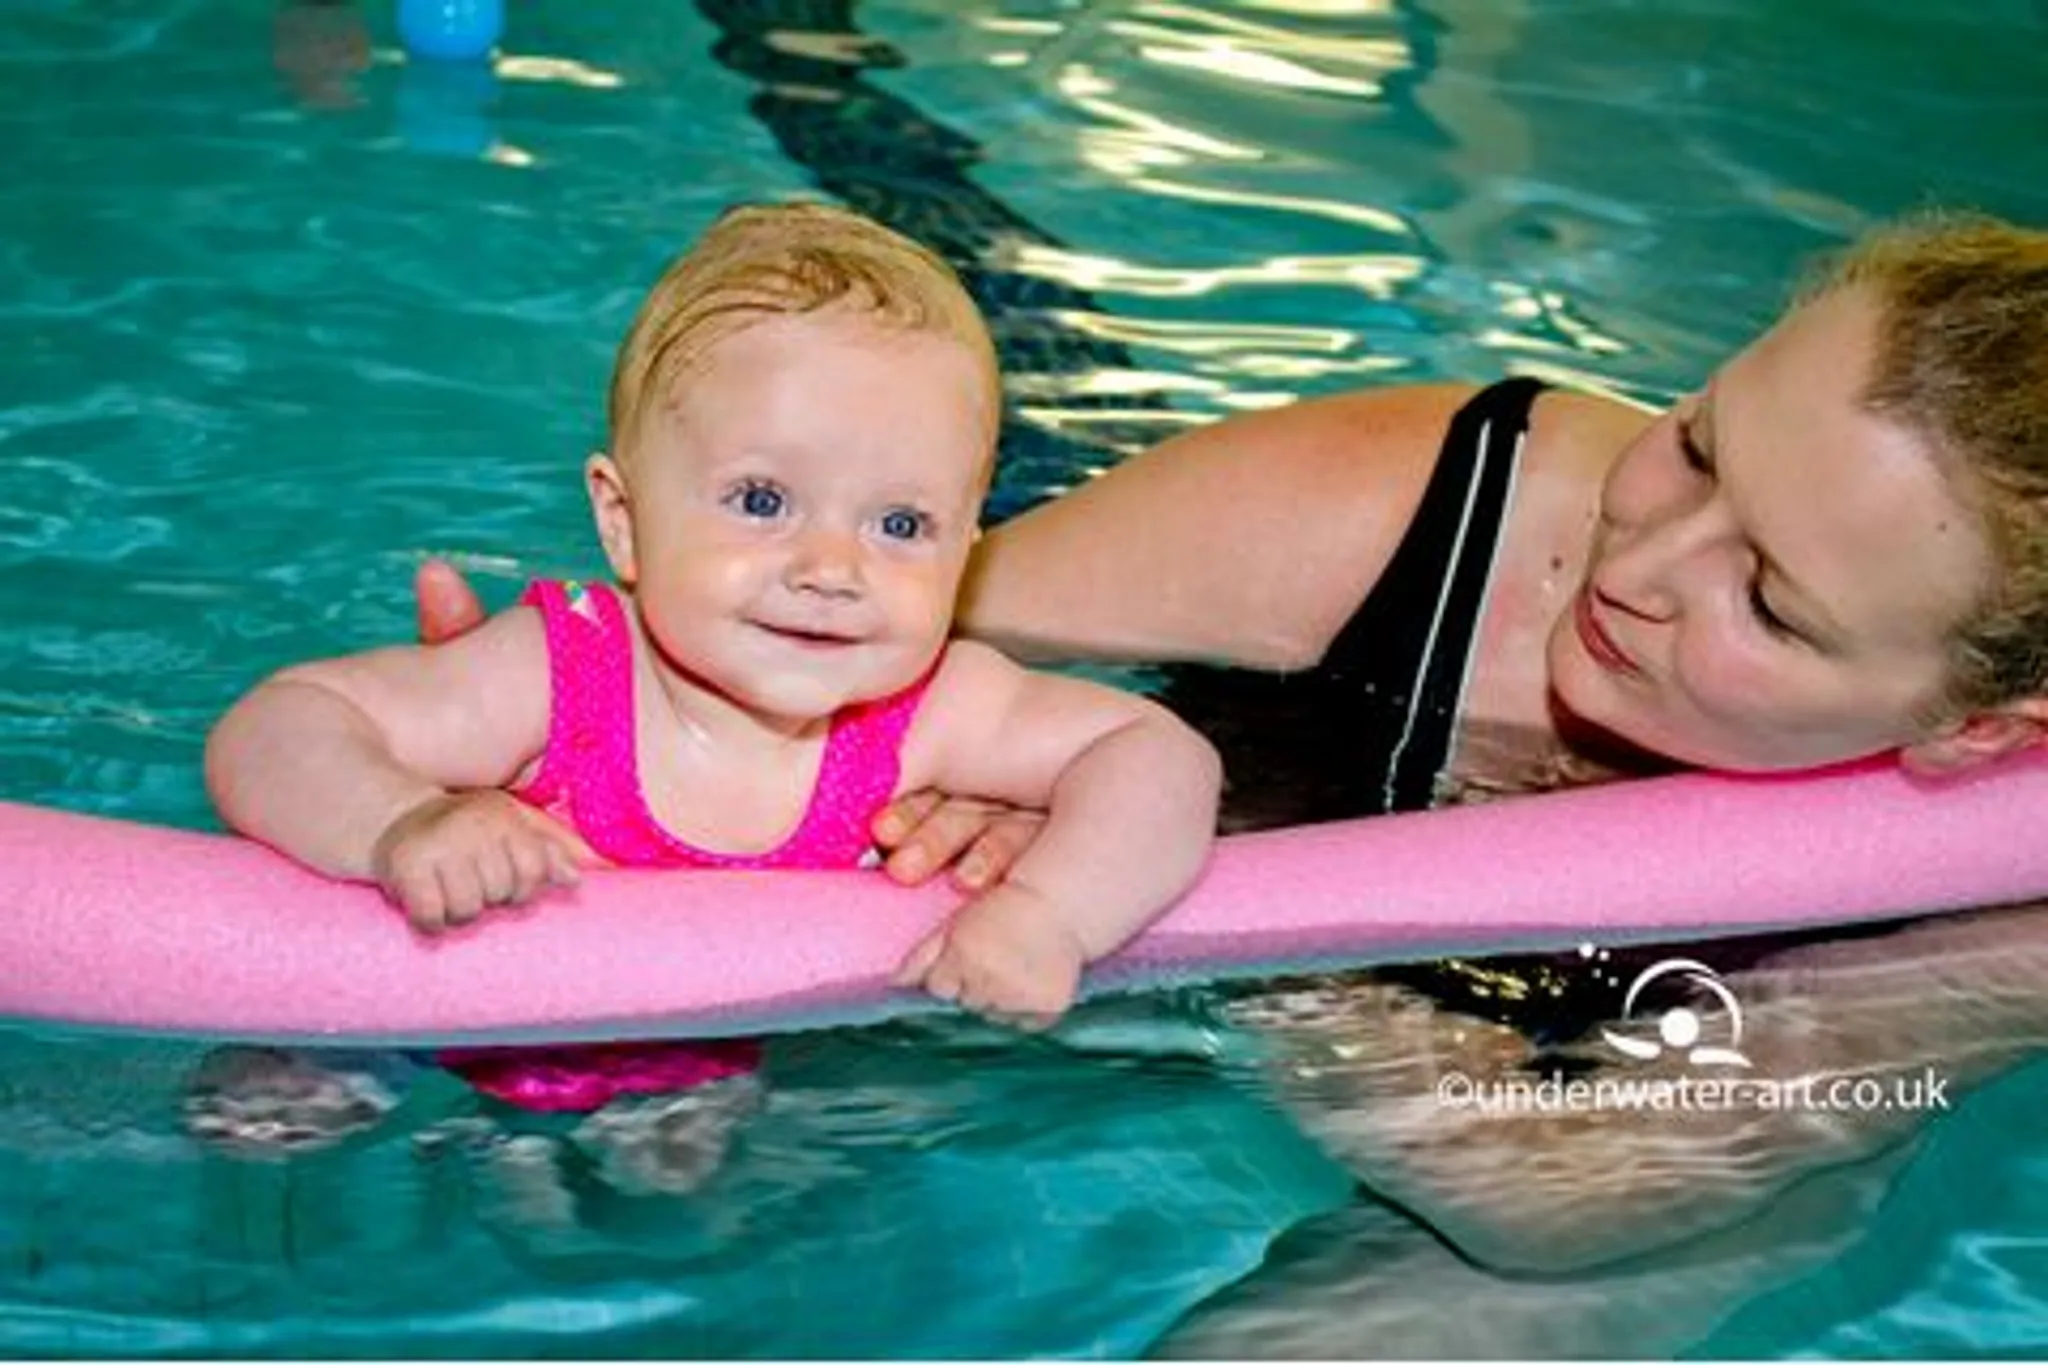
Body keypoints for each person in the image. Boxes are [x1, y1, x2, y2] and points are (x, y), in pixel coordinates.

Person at [403, 209, 2047, 1254]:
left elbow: (1567, 1197)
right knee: (663, 1209)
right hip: (1134, 979)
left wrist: (1197, 909)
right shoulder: (1416, 509)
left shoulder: (2003, 879)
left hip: (1492, 1074)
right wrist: (629, 716)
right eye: (1693, 441)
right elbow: (870, 639)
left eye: (1767, 601)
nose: (1638, 564)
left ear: (1985, 731)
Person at [196, 202, 1220, 1173]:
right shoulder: (561, 675)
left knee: (680, 1213)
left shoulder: (930, 709)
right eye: (762, 500)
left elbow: (1159, 757)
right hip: (440, 1008)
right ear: (623, 520)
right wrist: (401, 822)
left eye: (899, 525)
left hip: (697, 1060)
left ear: (967, 546)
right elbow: (282, 723)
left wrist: (1051, 914)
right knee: (254, 1118)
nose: (831, 567)